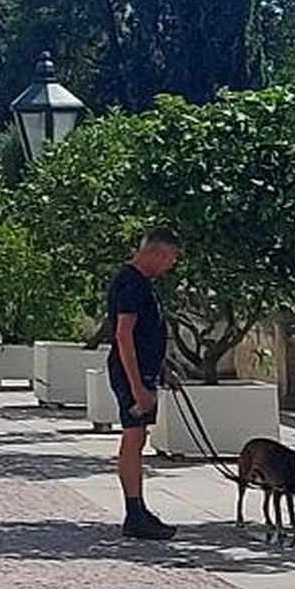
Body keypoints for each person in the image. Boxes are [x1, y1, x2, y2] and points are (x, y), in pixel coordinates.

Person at [107, 226, 183, 540]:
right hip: (131, 375)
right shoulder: (132, 285)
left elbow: (145, 337)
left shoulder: (141, 284)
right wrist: (138, 387)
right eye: (170, 259)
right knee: (133, 439)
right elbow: (124, 336)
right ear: (156, 253)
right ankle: (134, 512)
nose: (170, 267)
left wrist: (162, 369)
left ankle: (137, 509)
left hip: (145, 372)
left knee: (137, 439)